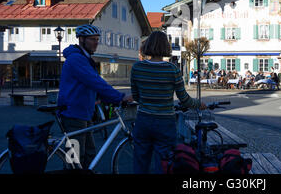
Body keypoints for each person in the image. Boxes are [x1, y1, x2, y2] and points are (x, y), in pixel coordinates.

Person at [57, 24, 133, 169]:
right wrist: (119, 97)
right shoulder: (76, 59)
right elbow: (96, 82)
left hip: (83, 113)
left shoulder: (84, 59)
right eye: (92, 39)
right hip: (73, 113)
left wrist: (106, 99)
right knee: (75, 158)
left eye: (97, 39)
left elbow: (92, 86)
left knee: (90, 153)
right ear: (82, 40)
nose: (96, 42)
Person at [130, 31, 206, 174]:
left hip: (143, 120)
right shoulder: (173, 69)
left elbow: (136, 96)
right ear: (166, 47)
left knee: (140, 161)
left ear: (148, 45)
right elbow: (184, 99)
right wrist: (199, 104)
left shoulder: (137, 68)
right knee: (164, 163)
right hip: (165, 122)